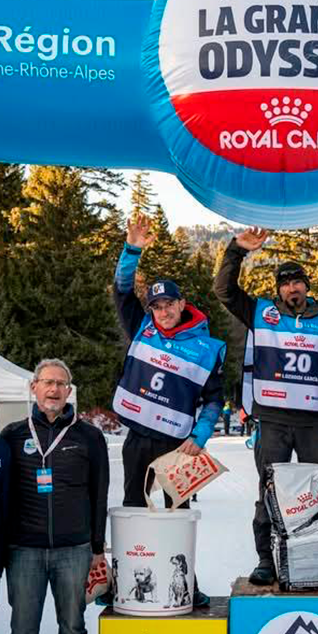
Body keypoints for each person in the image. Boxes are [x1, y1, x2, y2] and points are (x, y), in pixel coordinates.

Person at [214, 227, 318, 585]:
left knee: (317, 492)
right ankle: (266, 561)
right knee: (269, 491)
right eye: (286, 283)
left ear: (307, 286)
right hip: (271, 421)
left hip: (313, 424)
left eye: (298, 282)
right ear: (279, 290)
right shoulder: (261, 313)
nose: (293, 288)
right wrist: (236, 251)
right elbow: (224, 291)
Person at [111, 214, 225, 606]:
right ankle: (126, 581)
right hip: (139, 437)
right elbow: (122, 290)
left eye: (168, 304)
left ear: (181, 304)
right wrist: (132, 250)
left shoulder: (205, 346)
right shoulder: (141, 327)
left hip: (178, 444)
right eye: (156, 306)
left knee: (179, 514)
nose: (162, 311)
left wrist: (201, 436)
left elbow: (214, 399)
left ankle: (185, 584)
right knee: (133, 509)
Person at [0, 358, 109, 634]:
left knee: (73, 627)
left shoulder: (88, 436)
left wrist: (97, 546)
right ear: (33, 387)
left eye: (61, 384)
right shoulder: (12, 434)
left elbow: (100, 492)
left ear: (69, 390)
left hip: (74, 549)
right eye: (47, 382)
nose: (54, 390)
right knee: (23, 629)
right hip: (24, 549)